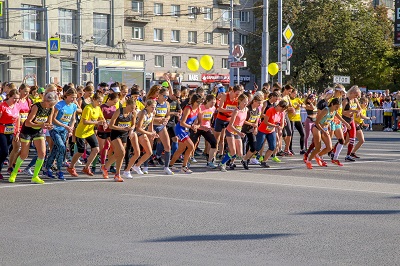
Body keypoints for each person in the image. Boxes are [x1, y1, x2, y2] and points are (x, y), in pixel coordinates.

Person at [9, 91, 58, 184]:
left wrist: (49, 126)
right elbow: (27, 122)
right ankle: (14, 172)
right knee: (24, 154)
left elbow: (49, 122)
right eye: (50, 103)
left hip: (38, 131)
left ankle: (35, 176)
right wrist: (41, 125)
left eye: (52, 104)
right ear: (45, 100)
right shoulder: (36, 107)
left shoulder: (51, 108)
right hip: (27, 131)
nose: (50, 106)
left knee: (42, 153)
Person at [67, 93, 107, 177]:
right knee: (80, 152)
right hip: (81, 132)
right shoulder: (88, 108)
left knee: (96, 149)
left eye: (101, 101)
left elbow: (102, 118)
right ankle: (71, 167)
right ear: (94, 100)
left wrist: (104, 123)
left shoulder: (98, 108)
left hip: (90, 132)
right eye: (99, 101)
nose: (100, 103)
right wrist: (97, 122)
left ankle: (86, 167)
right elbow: (85, 121)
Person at [44, 88, 78, 180]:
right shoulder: (59, 105)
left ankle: (47, 168)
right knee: (62, 147)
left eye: (75, 98)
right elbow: (53, 119)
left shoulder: (74, 106)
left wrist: (70, 128)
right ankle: (59, 170)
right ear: (66, 96)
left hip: (64, 130)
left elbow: (73, 119)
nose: (73, 99)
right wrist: (64, 125)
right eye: (72, 97)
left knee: (56, 149)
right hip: (55, 129)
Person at [102, 98, 138, 182]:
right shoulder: (119, 111)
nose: (133, 110)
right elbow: (111, 125)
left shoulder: (133, 113)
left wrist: (131, 130)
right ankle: (117, 175)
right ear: (127, 105)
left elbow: (133, 125)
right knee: (122, 152)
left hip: (124, 134)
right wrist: (122, 128)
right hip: (115, 133)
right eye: (131, 108)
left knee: (118, 154)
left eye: (134, 108)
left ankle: (105, 167)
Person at [305, 98, 344, 169]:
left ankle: (318, 156)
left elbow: (339, 117)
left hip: (324, 129)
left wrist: (346, 124)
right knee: (317, 148)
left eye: (338, 107)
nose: (337, 108)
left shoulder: (334, 111)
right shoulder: (326, 110)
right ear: (332, 104)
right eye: (336, 107)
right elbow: (317, 122)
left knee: (329, 147)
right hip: (317, 128)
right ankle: (308, 161)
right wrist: (323, 131)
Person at [169, 94, 203, 174]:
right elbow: (182, 123)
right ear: (193, 102)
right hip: (180, 129)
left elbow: (200, 122)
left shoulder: (198, 109)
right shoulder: (188, 108)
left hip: (187, 129)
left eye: (200, 102)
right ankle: (184, 166)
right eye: (198, 102)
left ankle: (170, 165)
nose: (199, 104)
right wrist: (191, 127)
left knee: (181, 149)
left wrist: (196, 126)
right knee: (191, 146)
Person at [219, 94, 249, 171]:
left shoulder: (246, 110)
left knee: (240, 154)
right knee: (233, 152)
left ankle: (226, 159)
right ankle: (222, 163)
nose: (246, 103)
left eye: (247, 102)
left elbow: (242, 121)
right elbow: (231, 125)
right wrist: (239, 133)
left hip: (238, 131)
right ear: (239, 101)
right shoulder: (236, 111)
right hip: (230, 131)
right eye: (244, 102)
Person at [254, 100, 287, 168]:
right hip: (263, 129)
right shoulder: (270, 110)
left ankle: (264, 161)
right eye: (282, 109)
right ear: (279, 106)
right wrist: (275, 126)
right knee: (258, 146)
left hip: (271, 130)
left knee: (272, 146)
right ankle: (248, 158)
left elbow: (282, 122)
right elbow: (265, 122)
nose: (282, 111)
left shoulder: (282, 113)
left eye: (284, 110)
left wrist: (281, 128)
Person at [190, 94, 218, 169]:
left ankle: (210, 161)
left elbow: (210, 119)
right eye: (212, 102)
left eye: (214, 103)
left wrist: (210, 127)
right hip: (198, 127)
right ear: (207, 101)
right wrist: (200, 126)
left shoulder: (213, 108)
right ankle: (188, 160)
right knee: (192, 144)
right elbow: (196, 120)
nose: (213, 104)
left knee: (214, 142)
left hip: (206, 128)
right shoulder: (200, 107)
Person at [0, 89, 21, 180]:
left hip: (11, 131)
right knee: (4, 152)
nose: (16, 100)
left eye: (17, 98)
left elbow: (18, 120)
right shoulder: (2, 106)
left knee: (4, 152)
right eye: (14, 98)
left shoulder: (17, 106)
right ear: (9, 96)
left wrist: (17, 132)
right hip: (1, 130)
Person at [152, 87, 174, 175]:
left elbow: (168, 115)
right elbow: (149, 117)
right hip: (152, 126)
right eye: (165, 96)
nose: (166, 98)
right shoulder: (154, 103)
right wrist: (158, 119)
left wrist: (166, 119)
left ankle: (166, 167)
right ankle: (145, 166)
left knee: (167, 146)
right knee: (148, 147)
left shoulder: (167, 104)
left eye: (167, 96)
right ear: (159, 95)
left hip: (162, 126)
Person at [240, 94, 263, 170]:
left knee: (254, 147)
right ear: (254, 101)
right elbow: (242, 120)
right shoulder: (248, 109)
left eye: (260, 103)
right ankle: (230, 160)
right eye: (258, 103)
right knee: (241, 148)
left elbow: (256, 120)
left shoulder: (257, 110)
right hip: (243, 129)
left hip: (250, 130)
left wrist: (255, 128)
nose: (259, 105)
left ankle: (245, 160)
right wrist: (251, 124)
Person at [135, 99, 157, 175]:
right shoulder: (142, 113)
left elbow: (150, 124)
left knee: (149, 152)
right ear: (147, 106)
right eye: (152, 107)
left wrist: (152, 133)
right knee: (134, 152)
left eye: (154, 107)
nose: (153, 109)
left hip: (142, 132)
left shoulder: (153, 113)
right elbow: (138, 128)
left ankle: (137, 166)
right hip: (134, 132)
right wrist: (149, 133)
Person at [288, 88, 305, 154]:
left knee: (302, 133)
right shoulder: (289, 100)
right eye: (294, 93)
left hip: (298, 119)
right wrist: (295, 107)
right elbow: (289, 108)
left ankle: (302, 149)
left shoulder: (297, 99)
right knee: (291, 134)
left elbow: (304, 105)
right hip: (291, 118)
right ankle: (290, 149)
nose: (295, 95)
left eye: (296, 93)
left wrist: (300, 105)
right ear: (291, 93)